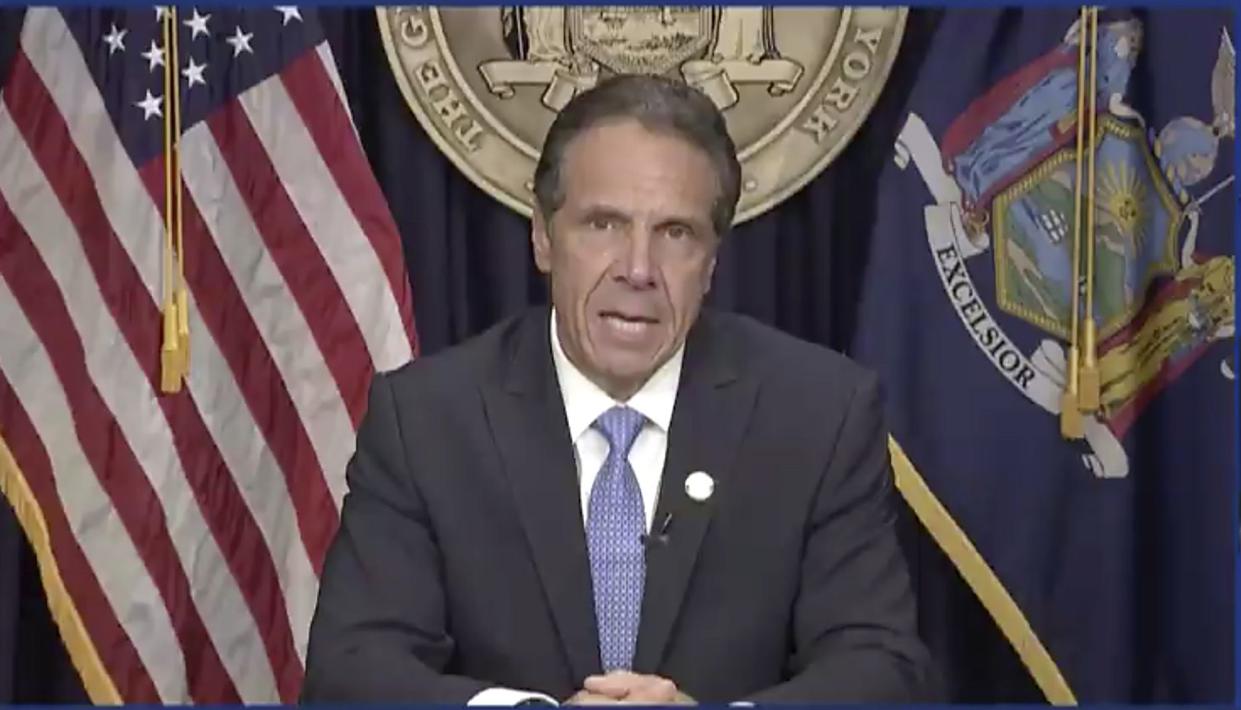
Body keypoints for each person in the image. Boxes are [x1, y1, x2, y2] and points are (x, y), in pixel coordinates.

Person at [301, 74, 936, 705]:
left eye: (676, 233)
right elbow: (351, 671)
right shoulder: (428, 420)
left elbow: (881, 669)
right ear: (544, 238)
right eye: (603, 225)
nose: (637, 269)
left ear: (712, 263)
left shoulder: (820, 416)